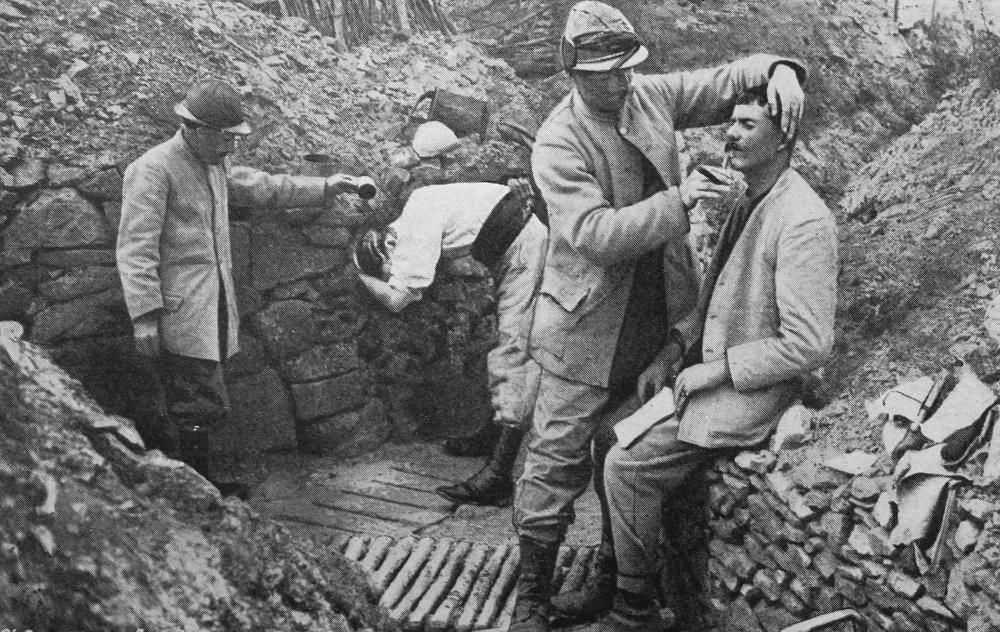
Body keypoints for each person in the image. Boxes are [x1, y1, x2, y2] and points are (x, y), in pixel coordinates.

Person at [508, 3, 808, 632]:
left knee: (620, 448)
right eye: (601, 77)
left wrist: (778, 68)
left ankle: (614, 578)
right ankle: (531, 596)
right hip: (584, 331)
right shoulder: (558, 141)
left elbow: (724, 81)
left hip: (655, 320)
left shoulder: (649, 96)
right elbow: (594, 234)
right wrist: (680, 201)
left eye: (624, 71)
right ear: (572, 73)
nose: (617, 85)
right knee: (553, 462)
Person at [601, 85, 838, 632]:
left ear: (784, 138)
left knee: (625, 464)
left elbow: (808, 343)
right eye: (730, 121)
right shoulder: (749, 195)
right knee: (607, 434)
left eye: (748, 125)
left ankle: (634, 608)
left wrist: (717, 370)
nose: (729, 133)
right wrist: (676, 348)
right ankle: (620, 574)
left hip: (754, 393)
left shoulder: (803, 220)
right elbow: (717, 302)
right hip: (709, 375)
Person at [118, 79, 369, 496]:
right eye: (226, 138)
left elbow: (261, 186)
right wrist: (144, 316)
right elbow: (135, 248)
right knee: (194, 401)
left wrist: (325, 187)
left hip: (211, 304)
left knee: (203, 398)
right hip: (177, 310)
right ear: (194, 128)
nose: (231, 148)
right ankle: (194, 491)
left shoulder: (211, 163)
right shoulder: (153, 169)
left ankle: (197, 483)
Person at [353, 180, 548, 506]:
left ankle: (498, 477)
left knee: (513, 354)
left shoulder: (411, 233)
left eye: (387, 269)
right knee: (505, 346)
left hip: (522, 249)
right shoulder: (415, 209)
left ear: (389, 243)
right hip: (515, 243)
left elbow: (399, 299)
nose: (392, 273)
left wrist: (363, 277)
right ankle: (490, 437)